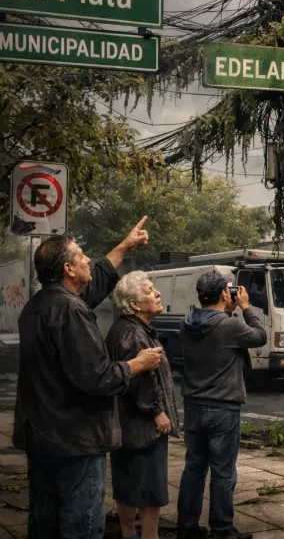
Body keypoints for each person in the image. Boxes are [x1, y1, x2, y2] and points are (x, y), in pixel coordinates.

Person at [13, 218, 165, 539]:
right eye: (81, 256)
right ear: (68, 269)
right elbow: (97, 377)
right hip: (75, 441)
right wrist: (135, 364)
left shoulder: (37, 306)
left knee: (45, 524)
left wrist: (124, 246)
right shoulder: (72, 311)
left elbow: (95, 284)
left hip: (41, 438)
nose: (87, 260)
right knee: (81, 525)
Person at [177, 268, 267, 539]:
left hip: (193, 406)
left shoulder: (186, 322)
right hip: (222, 409)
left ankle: (187, 526)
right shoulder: (230, 325)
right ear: (224, 293)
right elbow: (260, 335)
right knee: (223, 471)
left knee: (193, 468)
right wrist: (246, 306)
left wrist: (226, 308)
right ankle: (222, 529)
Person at [106, 271, 181, 539]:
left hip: (127, 426)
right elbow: (140, 382)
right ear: (135, 304)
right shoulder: (133, 334)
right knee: (150, 489)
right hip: (143, 427)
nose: (157, 293)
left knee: (127, 483)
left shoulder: (126, 329)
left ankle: (130, 535)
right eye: (149, 291)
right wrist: (158, 414)